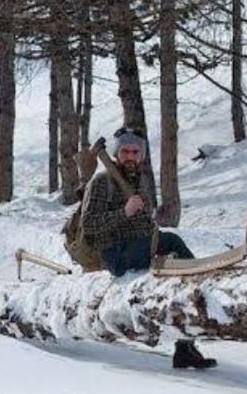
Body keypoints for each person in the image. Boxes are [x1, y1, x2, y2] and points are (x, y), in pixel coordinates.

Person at [81, 126, 215, 369]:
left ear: (141, 155)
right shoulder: (102, 182)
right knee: (173, 242)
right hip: (116, 254)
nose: (130, 156)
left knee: (174, 270)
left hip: (140, 246)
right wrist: (124, 212)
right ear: (116, 154)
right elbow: (88, 225)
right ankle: (203, 283)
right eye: (125, 152)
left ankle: (185, 346)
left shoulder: (140, 181)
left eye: (135, 152)